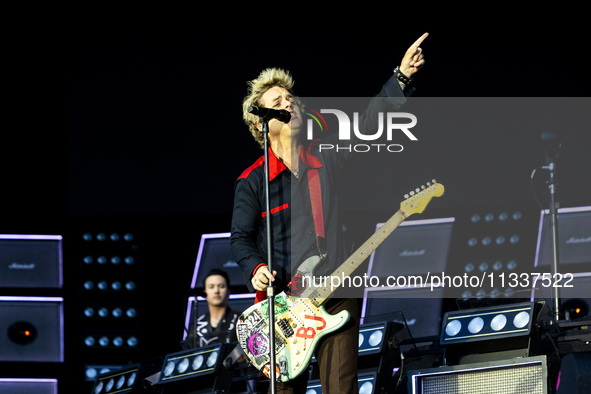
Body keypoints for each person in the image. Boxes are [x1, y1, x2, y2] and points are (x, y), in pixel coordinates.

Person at [231, 33, 428, 394]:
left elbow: (367, 124)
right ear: (261, 122)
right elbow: (241, 238)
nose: (289, 104)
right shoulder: (252, 181)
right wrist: (256, 269)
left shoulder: (324, 157)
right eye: (278, 101)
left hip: (336, 289)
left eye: (291, 98)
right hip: (283, 312)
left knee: (341, 388)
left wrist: (400, 77)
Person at [183, 268, 239, 348]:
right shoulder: (196, 327)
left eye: (221, 286)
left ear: (228, 292)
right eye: (211, 287)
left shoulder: (241, 321)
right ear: (205, 293)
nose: (216, 291)